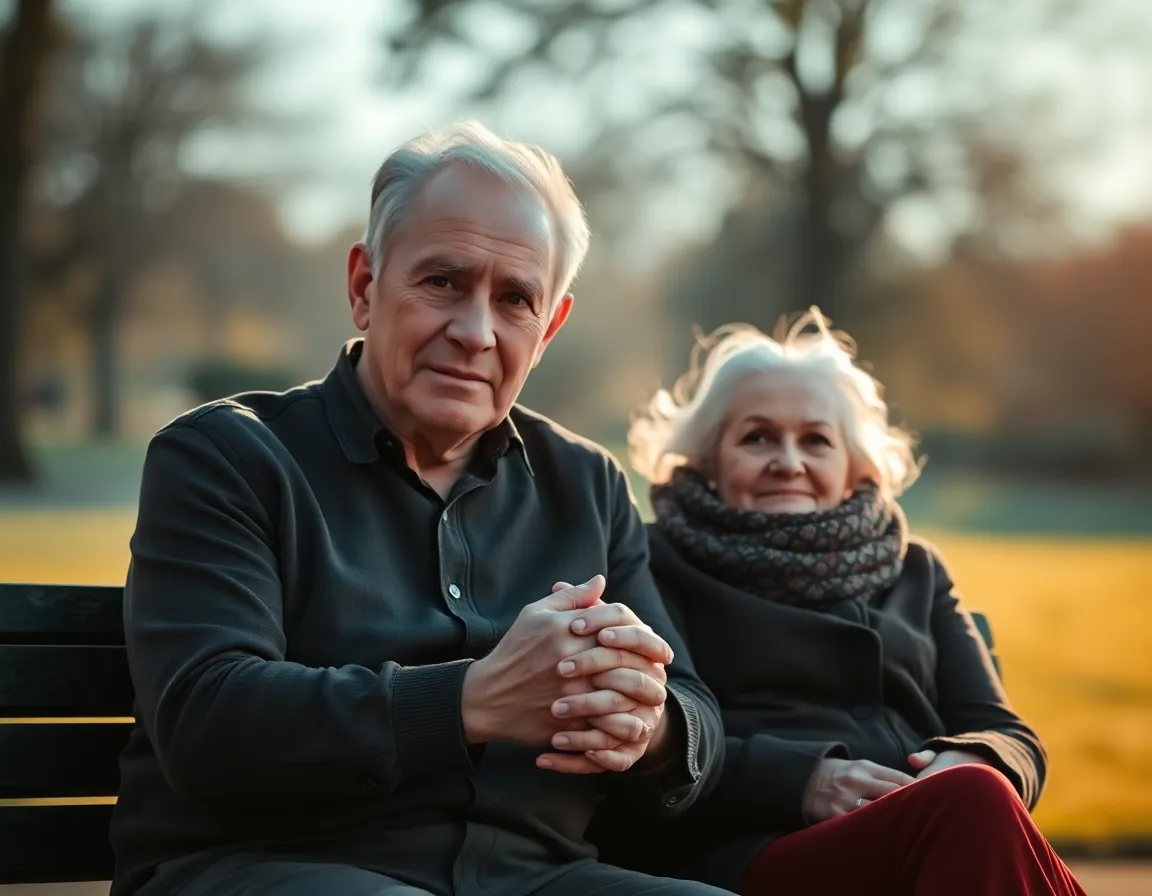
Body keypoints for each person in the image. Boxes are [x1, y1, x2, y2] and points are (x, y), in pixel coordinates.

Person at [110, 122, 730, 896]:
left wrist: (652, 725)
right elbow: (207, 720)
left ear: (548, 330)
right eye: (442, 282)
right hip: (264, 869)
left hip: (534, 880)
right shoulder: (227, 458)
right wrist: (470, 700)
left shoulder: (588, 484)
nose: (474, 332)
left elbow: (696, 717)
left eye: (514, 300)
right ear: (365, 286)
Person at [609, 310, 1086, 895]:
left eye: (816, 440)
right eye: (757, 437)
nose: (790, 461)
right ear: (707, 459)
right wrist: (802, 780)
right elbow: (649, 742)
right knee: (973, 808)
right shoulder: (654, 563)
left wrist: (972, 762)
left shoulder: (918, 569)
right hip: (748, 857)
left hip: (933, 828)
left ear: (854, 465)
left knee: (976, 794)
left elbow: (1006, 734)